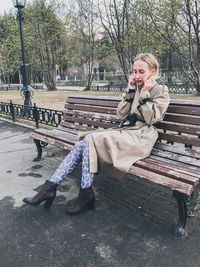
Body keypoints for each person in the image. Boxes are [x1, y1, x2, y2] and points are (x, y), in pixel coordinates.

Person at [23, 52, 170, 215]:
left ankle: (63, 191)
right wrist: (130, 91)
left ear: (154, 71)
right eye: (134, 71)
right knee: (83, 143)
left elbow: (151, 119)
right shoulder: (135, 88)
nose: (137, 75)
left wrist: (145, 94)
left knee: (89, 139)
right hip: (126, 132)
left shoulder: (160, 90)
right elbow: (120, 115)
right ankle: (59, 188)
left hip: (141, 137)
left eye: (141, 72)